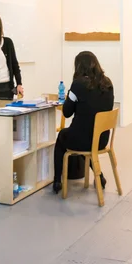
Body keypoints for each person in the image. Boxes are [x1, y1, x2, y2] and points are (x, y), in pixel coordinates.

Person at [52, 52, 114, 194]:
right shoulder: (108, 83)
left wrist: (70, 95)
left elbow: (67, 112)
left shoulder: (78, 84)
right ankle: (100, 176)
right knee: (84, 139)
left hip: (83, 139)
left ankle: (56, 180)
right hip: (101, 139)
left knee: (64, 136)